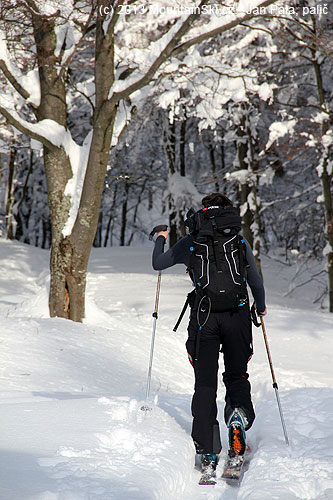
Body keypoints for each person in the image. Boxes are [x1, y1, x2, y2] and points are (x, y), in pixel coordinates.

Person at [152, 193, 267, 477]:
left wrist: (161, 237)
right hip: (237, 316)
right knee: (237, 376)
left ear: (204, 211)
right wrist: (260, 307)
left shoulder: (192, 240)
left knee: (205, 383)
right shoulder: (238, 239)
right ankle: (237, 419)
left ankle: (207, 449)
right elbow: (255, 281)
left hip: (204, 318)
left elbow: (159, 263)